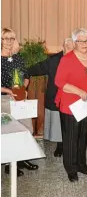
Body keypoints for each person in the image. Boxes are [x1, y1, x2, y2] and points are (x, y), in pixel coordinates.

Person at [55, 28, 87, 182]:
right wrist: (79, 91)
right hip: (71, 104)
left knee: (83, 136)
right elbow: (59, 82)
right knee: (71, 138)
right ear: (74, 43)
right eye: (81, 41)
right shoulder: (67, 59)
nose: (85, 44)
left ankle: (81, 163)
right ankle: (71, 168)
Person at [1, 27, 39, 176]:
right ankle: (9, 164)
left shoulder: (17, 57)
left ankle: (22, 159)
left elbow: (26, 75)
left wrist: (23, 87)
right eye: (6, 38)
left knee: (26, 130)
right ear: (0, 40)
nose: (9, 42)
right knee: (10, 132)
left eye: (12, 38)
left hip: (20, 99)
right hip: (4, 100)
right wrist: (9, 91)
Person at [27, 38, 74, 157]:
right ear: (63, 47)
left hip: (74, 97)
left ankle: (72, 144)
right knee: (59, 122)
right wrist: (25, 74)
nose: (71, 51)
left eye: (73, 48)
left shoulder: (79, 58)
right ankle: (60, 145)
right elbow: (37, 68)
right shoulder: (54, 60)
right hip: (57, 97)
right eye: (68, 47)